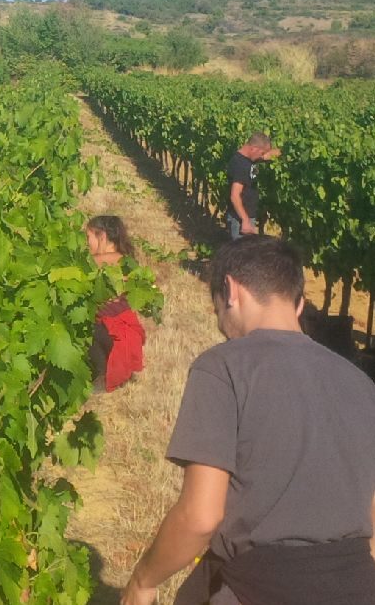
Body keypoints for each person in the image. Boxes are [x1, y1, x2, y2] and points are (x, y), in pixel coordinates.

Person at [121, 236, 375, 605]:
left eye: (217, 311)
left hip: (260, 587)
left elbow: (200, 516)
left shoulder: (223, 366)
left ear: (230, 290)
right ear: (298, 303)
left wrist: (142, 581)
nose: (221, 326)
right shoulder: (360, 383)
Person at [85, 216, 146, 393]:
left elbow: (83, 263)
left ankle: (101, 376)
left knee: (85, 327)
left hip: (114, 333)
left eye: (88, 237)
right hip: (113, 332)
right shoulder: (122, 259)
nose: (86, 243)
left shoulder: (114, 259)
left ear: (102, 237)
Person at [225, 132, 281, 240]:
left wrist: (287, 151)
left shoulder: (248, 159)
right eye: (262, 153)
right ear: (254, 148)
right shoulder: (241, 165)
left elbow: (267, 155)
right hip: (240, 220)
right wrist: (245, 220)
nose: (262, 156)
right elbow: (235, 196)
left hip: (246, 216)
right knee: (242, 250)